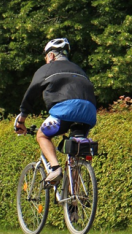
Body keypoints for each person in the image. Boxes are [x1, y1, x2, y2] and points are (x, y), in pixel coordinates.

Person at [15, 38, 97, 183]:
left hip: (65, 111)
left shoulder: (47, 69)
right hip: (89, 112)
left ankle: (55, 168)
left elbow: (31, 93)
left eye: (46, 57)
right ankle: (74, 200)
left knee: (42, 135)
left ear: (51, 56)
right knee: (75, 152)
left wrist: (21, 118)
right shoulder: (79, 69)